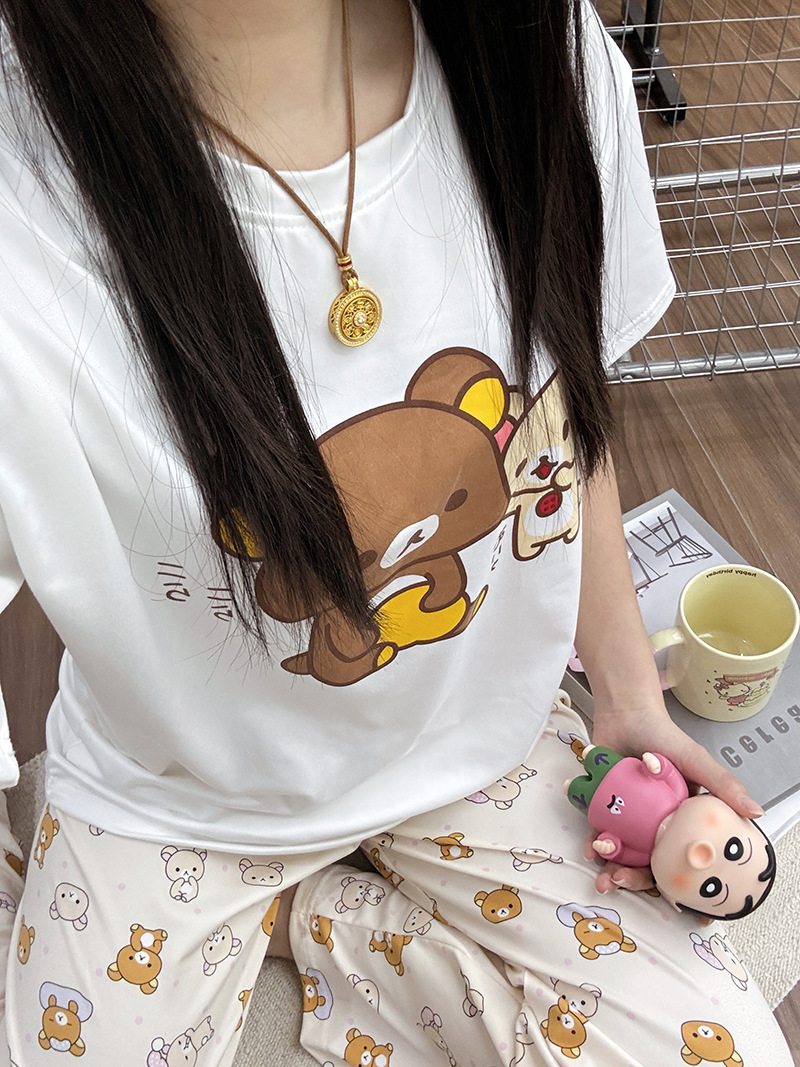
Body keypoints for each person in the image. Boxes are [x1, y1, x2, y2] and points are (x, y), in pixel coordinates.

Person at [0, 0, 791, 1063]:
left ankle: (321, 920)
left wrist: (626, 690)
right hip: (181, 796)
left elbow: (559, 417)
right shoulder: (23, 200)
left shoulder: (540, 53)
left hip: (481, 743)